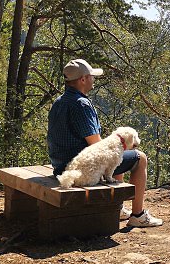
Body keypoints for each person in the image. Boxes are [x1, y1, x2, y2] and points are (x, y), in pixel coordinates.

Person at [47, 58, 162, 227]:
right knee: (139, 158)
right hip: (81, 168)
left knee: (118, 153)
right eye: (91, 76)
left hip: (60, 165)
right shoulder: (81, 104)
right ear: (83, 79)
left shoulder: (59, 101)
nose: (93, 79)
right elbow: (96, 145)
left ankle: (118, 208)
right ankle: (138, 215)